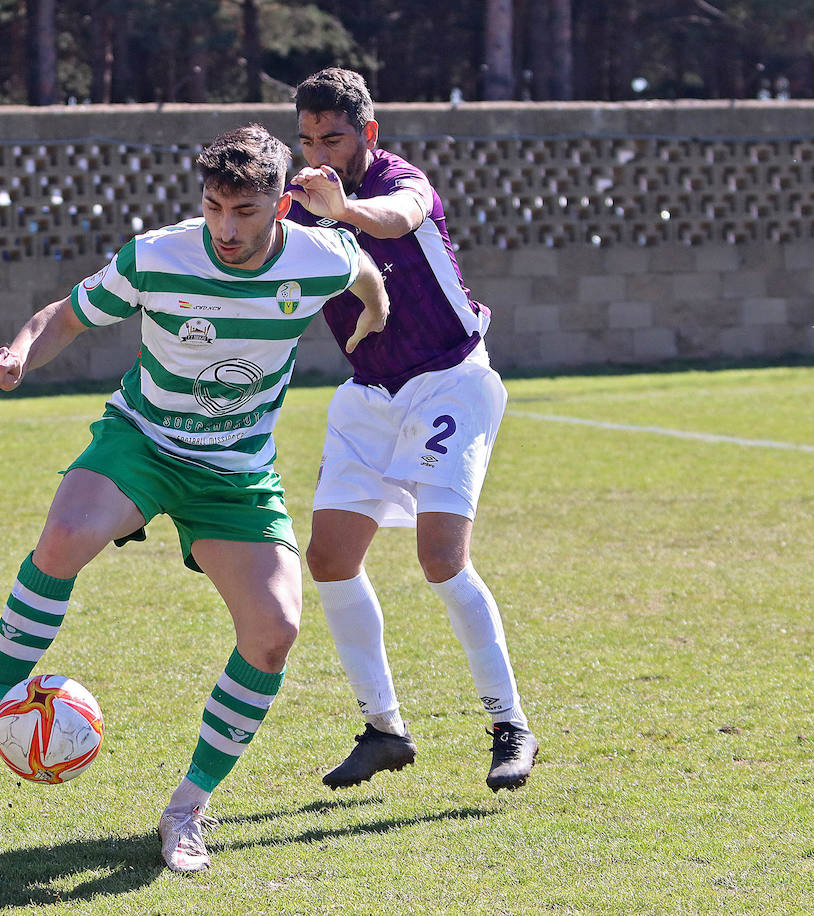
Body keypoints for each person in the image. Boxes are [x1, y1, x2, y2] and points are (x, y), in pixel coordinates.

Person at [0, 124, 390, 873]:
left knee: (274, 632)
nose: (225, 230)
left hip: (234, 472)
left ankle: (186, 810)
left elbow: (363, 272)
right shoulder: (158, 254)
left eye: (245, 214)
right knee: (63, 538)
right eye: (213, 208)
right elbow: (64, 314)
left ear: (281, 206)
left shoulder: (317, 255)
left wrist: (378, 308)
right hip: (143, 441)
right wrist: (19, 353)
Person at [284, 68, 539, 793]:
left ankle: (510, 724)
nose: (318, 153)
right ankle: (385, 730)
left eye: (332, 137)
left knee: (439, 557)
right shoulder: (300, 208)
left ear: (367, 133)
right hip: (369, 395)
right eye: (306, 139)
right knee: (330, 557)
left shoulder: (403, 181)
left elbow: (397, 217)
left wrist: (344, 210)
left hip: (451, 379)